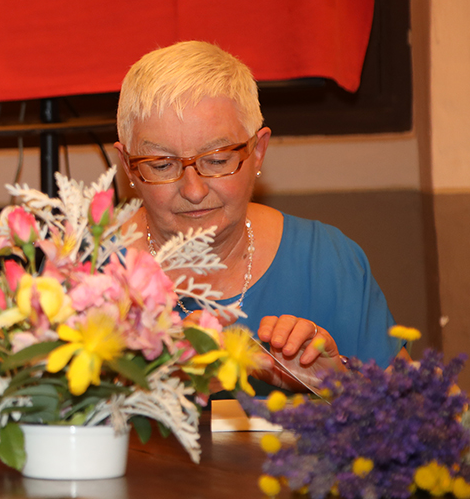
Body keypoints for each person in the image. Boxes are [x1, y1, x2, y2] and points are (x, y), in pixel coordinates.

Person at [113, 41, 404, 390]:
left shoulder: (327, 262)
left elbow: (415, 422)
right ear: (128, 167)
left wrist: (337, 383)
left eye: (217, 160)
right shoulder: (85, 275)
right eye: (162, 165)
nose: (193, 190)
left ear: (258, 151)